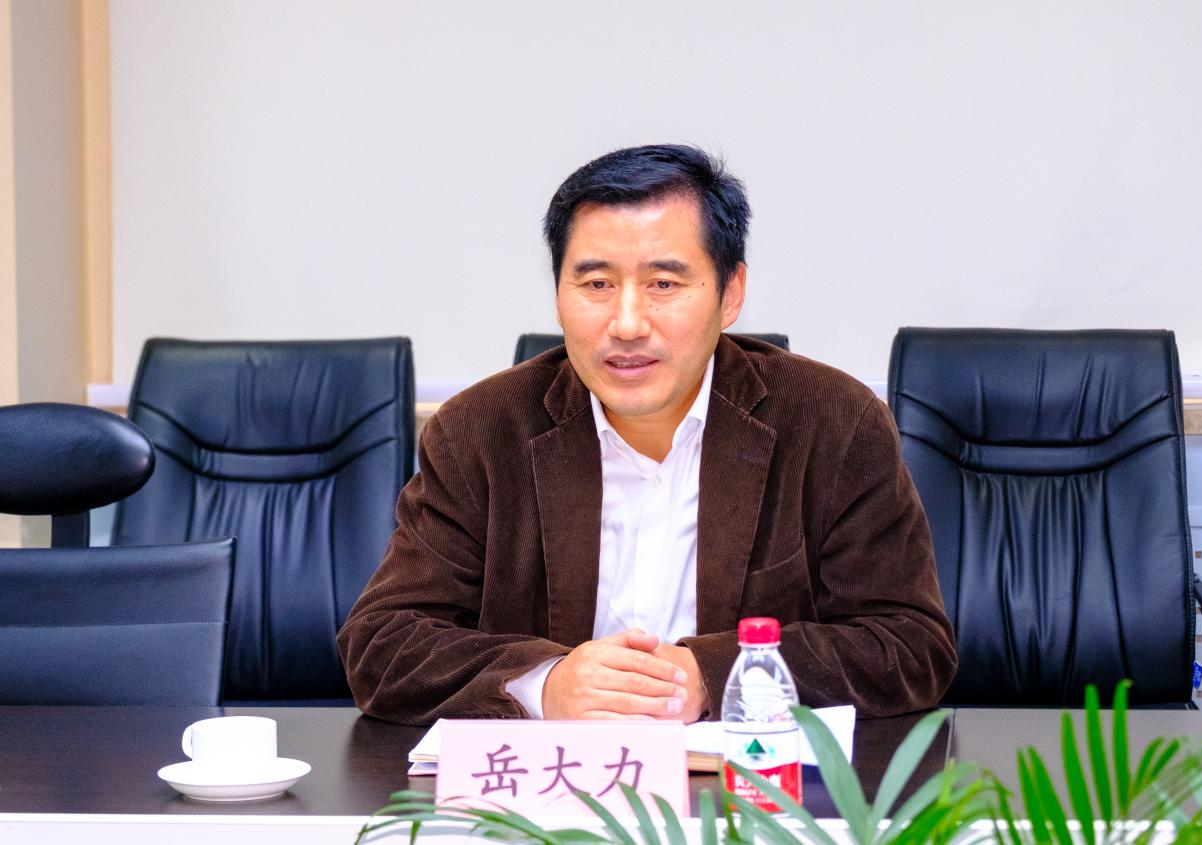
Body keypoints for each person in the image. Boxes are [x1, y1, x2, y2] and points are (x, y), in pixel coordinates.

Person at [337, 144, 955, 724]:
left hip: (747, 787)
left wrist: (713, 675)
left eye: (664, 283)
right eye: (596, 284)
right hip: (555, 788)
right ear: (558, 294)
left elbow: (908, 644)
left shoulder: (833, 423)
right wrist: (547, 684)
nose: (628, 324)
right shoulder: (479, 434)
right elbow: (382, 644)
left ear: (730, 293)